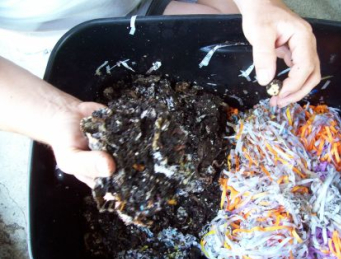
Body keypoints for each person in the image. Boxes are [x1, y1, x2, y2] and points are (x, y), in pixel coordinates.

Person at [0, 0, 320, 188]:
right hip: (52, 43)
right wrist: (56, 114)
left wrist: (262, 4)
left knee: (247, 37)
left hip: (141, 4)